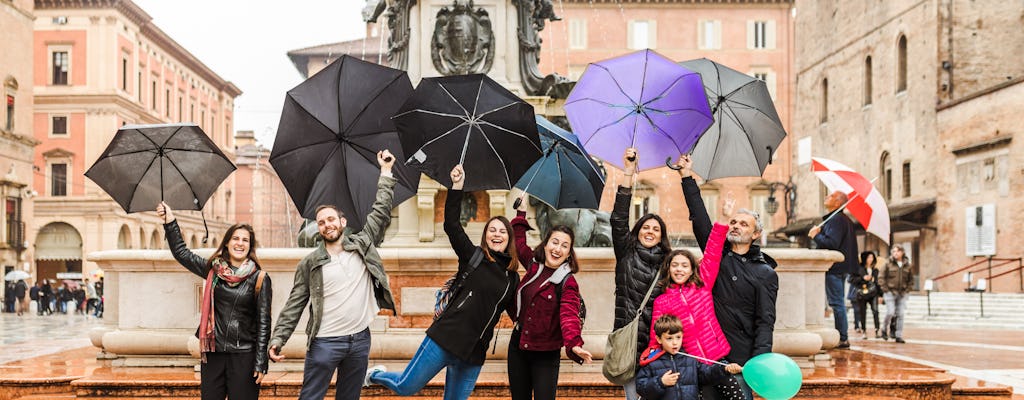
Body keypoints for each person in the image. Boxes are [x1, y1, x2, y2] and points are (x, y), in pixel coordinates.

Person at [367, 164, 520, 400]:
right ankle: (375, 375)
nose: (497, 234)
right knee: (406, 386)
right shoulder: (474, 255)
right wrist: (456, 186)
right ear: (486, 235)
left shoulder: (512, 277)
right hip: (445, 338)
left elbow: (513, 308)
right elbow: (451, 225)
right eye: (492, 230)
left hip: (474, 352)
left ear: (509, 238)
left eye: (502, 231)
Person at [269, 150, 398, 400]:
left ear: (342, 221)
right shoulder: (310, 263)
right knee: (311, 397)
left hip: (359, 340)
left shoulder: (361, 244)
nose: (327, 225)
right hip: (325, 342)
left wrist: (385, 171)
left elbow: (380, 211)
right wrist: (278, 338)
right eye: (321, 222)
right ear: (318, 229)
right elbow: (294, 305)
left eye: (331, 219)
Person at [678, 154, 778, 400]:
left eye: (743, 224)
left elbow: (765, 321)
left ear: (756, 234)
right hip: (708, 354)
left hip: (741, 359)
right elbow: (700, 220)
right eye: (733, 222)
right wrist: (687, 177)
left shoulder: (765, 273)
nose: (735, 226)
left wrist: (757, 363)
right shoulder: (716, 257)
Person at [159, 202, 272, 400]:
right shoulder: (214, 270)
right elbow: (182, 253)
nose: (240, 243)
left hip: (244, 355)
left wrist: (261, 361)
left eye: (245, 240)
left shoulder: (260, 278)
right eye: (235, 238)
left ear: (250, 246)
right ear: (227, 243)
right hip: (213, 354)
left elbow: (264, 323)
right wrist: (170, 221)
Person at [648, 193, 745, 400]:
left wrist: (723, 219)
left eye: (684, 265)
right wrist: (653, 363)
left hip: (718, 357)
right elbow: (656, 336)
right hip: (691, 364)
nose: (679, 269)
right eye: (675, 265)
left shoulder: (702, 284)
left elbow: (712, 252)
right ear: (668, 269)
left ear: (692, 269)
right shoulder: (662, 301)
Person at [507, 202, 593, 400]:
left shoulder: (567, 281)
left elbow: (569, 315)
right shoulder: (533, 264)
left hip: (546, 353)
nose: (558, 249)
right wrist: (521, 211)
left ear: (569, 253)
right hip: (518, 346)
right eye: (554, 242)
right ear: (545, 244)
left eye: (565, 246)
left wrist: (574, 344)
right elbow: (518, 242)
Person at [611, 148, 673, 400]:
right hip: (628, 339)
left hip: (657, 342)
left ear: (662, 235)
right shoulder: (626, 251)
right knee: (631, 397)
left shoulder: (669, 262)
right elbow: (618, 219)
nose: (650, 231)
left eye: (655, 229)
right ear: (637, 230)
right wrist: (628, 173)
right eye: (645, 227)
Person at [636, 315, 743, 400]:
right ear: (659, 339)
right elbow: (641, 387)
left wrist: (724, 369)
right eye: (669, 338)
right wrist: (661, 382)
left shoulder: (690, 360)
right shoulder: (652, 362)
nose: (674, 343)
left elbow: (707, 373)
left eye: (678, 337)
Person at [808, 190, 859, 349]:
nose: (825, 197)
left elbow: (832, 243)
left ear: (838, 202)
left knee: (837, 303)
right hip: (841, 268)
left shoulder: (836, 219)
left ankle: (843, 338)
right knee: (838, 303)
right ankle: (843, 336)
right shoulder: (844, 220)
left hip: (834, 268)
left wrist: (815, 235)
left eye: (830, 196)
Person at [879, 245, 913, 343]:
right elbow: (881, 277)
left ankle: (899, 335)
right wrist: (885, 289)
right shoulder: (887, 263)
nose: (895, 253)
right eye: (894, 251)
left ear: (902, 252)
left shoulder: (907, 265)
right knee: (890, 312)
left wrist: (907, 290)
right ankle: (884, 329)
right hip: (890, 292)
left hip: (902, 293)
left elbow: (911, 280)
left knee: (900, 314)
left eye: (897, 251)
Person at [852, 251, 880, 339]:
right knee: (862, 312)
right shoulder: (858, 269)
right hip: (862, 293)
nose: (870, 259)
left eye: (872, 257)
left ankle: (877, 330)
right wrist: (863, 278)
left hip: (873, 293)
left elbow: (878, 283)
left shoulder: (875, 270)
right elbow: (852, 280)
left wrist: (881, 295)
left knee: (875, 311)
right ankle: (864, 330)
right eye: (868, 257)